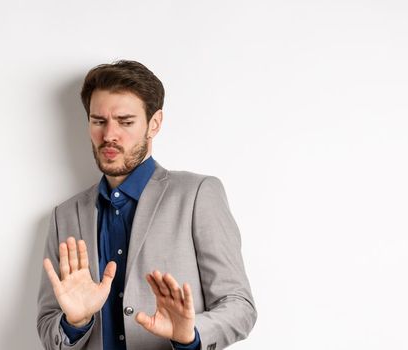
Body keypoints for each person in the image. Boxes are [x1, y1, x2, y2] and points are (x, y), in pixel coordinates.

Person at [36, 60, 256, 350]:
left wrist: (190, 334)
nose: (109, 135)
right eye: (98, 121)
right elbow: (48, 326)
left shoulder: (198, 194)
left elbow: (240, 306)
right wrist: (75, 323)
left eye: (125, 122)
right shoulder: (63, 215)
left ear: (154, 124)